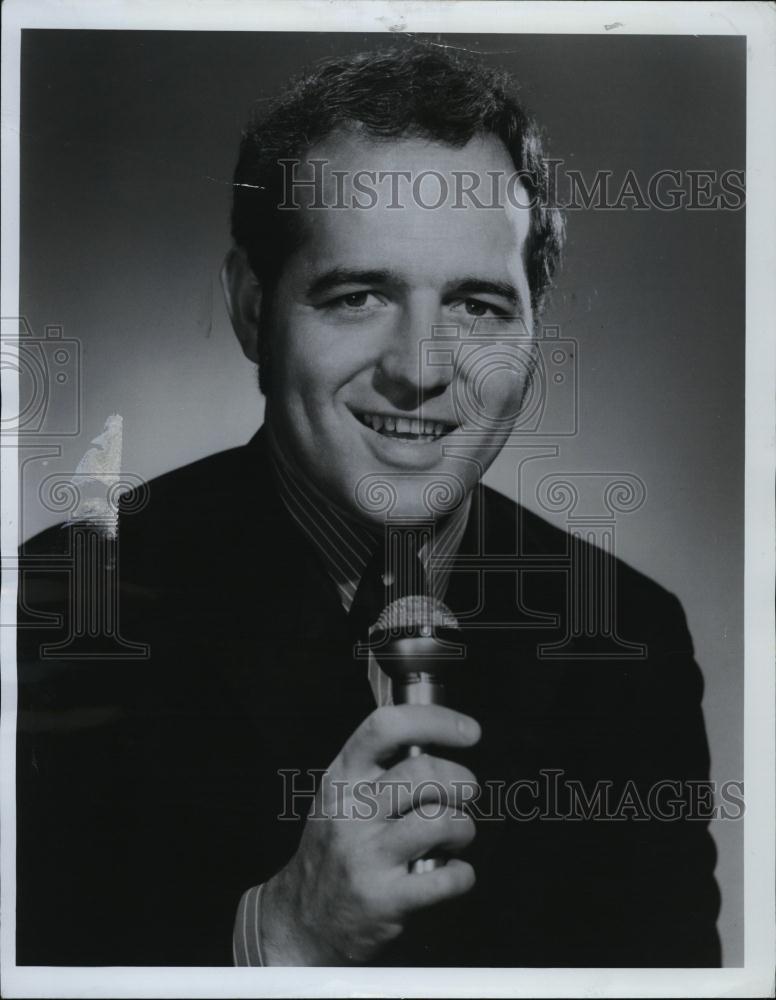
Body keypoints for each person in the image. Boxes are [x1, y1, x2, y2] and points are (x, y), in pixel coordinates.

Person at [16, 43, 721, 968]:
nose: (419, 370)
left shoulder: (632, 636)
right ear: (252, 308)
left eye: (477, 307)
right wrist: (276, 940)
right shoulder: (65, 608)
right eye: (357, 296)